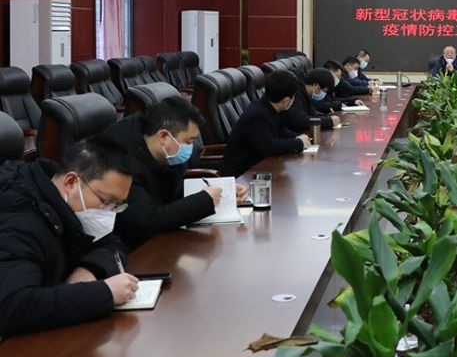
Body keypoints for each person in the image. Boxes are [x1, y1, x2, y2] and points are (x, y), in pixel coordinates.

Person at [0, 136, 141, 335]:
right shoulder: (19, 220)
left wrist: (89, 269)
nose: (109, 212)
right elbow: (13, 306)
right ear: (71, 182)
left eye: (116, 205)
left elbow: (112, 243)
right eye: (107, 201)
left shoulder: (60, 199)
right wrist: (105, 293)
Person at [103, 96, 246, 250]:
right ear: (163, 136)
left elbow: (173, 193)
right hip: (131, 249)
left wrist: (223, 193)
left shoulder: (165, 153)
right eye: (188, 141)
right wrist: (205, 201)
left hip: (161, 241)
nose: (191, 148)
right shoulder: (120, 159)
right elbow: (147, 220)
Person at [220, 71, 312, 177]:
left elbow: (281, 131)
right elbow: (268, 146)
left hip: (260, 168)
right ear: (286, 101)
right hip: (242, 175)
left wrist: (298, 137)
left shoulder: (269, 107)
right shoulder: (257, 116)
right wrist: (298, 143)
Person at [284, 68, 341, 133]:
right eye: (324, 91)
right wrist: (328, 121)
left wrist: (326, 118)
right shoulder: (296, 93)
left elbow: (312, 112)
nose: (324, 94)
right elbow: (301, 121)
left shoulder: (305, 93)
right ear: (316, 85)